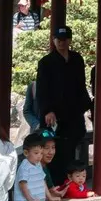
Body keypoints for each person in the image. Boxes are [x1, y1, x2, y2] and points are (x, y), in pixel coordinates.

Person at [34, 26, 91, 186]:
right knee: (53, 151)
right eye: (58, 40)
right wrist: (47, 110)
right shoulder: (46, 62)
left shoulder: (77, 59)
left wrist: (85, 105)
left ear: (69, 40)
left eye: (64, 39)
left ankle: (70, 183)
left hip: (73, 113)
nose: (61, 42)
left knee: (71, 148)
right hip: (54, 116)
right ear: (54, 40)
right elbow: (42, 90)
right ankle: (54, 185)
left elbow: (81, 85)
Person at [13, 134, 52, 201]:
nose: (39, 156)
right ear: (26, 153)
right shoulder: (25, 166)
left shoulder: (38, 165)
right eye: (36, 153)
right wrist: (30, 200)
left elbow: (43, 181)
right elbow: (22, 184)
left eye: (41, 153)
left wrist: (49, 197)